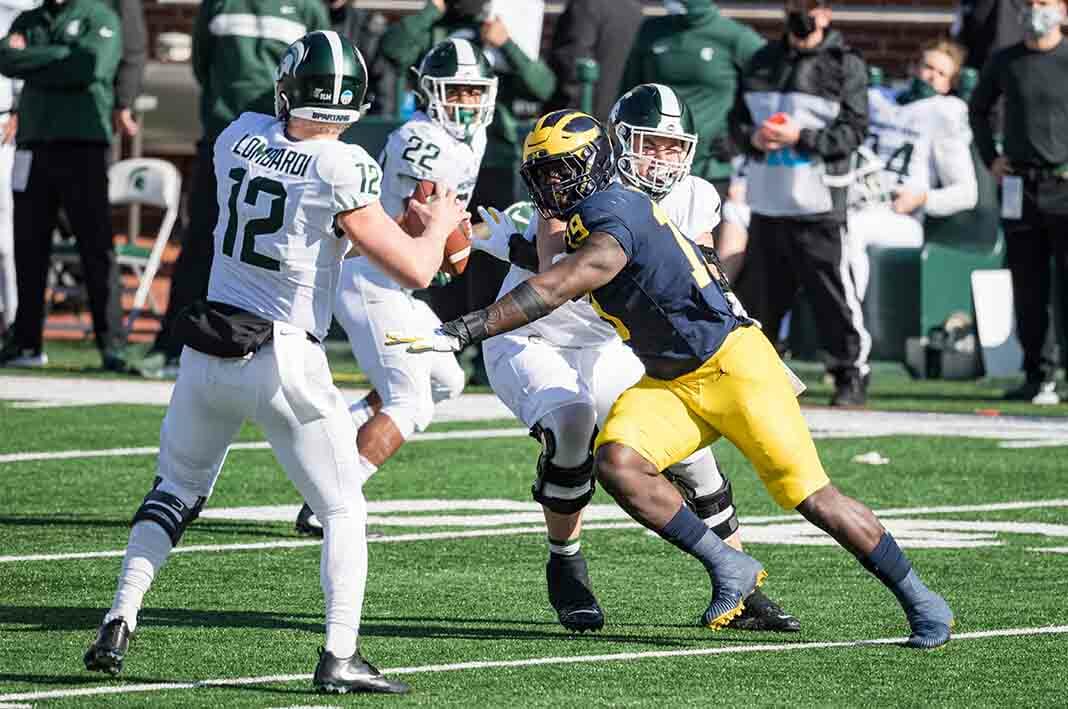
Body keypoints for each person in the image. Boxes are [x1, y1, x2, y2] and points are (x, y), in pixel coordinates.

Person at [390, 109, 954, 649]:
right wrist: (499, 245)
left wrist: (463, 328)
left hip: (732, 369)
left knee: (814, 498)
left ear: (594, 163)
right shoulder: (597, 208)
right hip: (668, 380)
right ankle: (727, 564)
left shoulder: (615, 213)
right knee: (618, 463)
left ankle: (922, 600)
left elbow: (561, 283)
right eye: (543, 173)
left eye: (562, 170)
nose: (552, 183)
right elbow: (553, 262)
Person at [82, 30, 468, 694]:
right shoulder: (344, 164)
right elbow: (416, 269)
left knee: (174, 491)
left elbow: (309, 216)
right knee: (342, 509)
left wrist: (393, 226)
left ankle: (120, 616)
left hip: (210, 345)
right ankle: (340, 653)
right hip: (284, 354)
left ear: (289, 88)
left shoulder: (238, 135)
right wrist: (436, 225)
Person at [473, 87, 799, 633]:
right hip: (536, 338)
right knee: (572, 429)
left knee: (693, 456)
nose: (661, 159)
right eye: (649, 144)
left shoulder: (694, 195)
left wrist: (746, 340)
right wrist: (511, 245)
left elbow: (706, 277)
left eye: (673, 147)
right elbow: (558, 281)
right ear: (617, 142)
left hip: (610, 344)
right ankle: (566, 564)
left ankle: (743, 584)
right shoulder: (579, 180)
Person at [293, 37, 497, 535]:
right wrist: (459, 242)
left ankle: (331, 431)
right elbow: (416, 225)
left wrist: (479, 234)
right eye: (455, 91)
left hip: (395, 283)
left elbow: (444, 231)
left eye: (474, 92)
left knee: (445, 381)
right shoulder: (420, 139)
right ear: (428, 91)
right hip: (371, 276)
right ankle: (327, 504)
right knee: (410, 401)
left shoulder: (470, 139)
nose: (466, 103)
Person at [137, 0, 330, 377]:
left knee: (284, 246)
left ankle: (276, 342)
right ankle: (175, 343)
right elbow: (202, 65)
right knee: (201, 242)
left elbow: (321, 69)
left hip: (286, 146)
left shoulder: (306, 7)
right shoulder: (219, 2)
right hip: (224, 136)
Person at [729, 0, 872, 407]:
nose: (802, 14)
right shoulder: (761, 61)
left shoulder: (844, 64)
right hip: (768, 200)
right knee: (761, 301)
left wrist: (801, 137)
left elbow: (854, 131)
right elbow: (735, 123)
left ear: (826, 13)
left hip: (820, 202)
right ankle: (758, 376)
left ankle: (850, 373)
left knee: (832, 297)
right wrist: (753, 138)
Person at [0, 0, 126, 370]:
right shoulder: (29, 19)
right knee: (28, 246)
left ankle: (111, 345)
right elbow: (5, 60)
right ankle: (26, 343)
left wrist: (33, 61)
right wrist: (60, 56)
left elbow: (89, 67)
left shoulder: (99, 16)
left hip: (82, 145)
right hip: (34, 144)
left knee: (95, 247)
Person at [969, 0, 1068, 406]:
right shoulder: (1005, 60)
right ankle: (1037, 374)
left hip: (1063, 184)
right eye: (1028, 3)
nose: (1034, 9)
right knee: (1028, 285)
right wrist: (991, 158)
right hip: (1019, 188)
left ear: (1062, 10)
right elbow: (978, 110)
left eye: (1043, 2)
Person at [847, 39, 979, 299]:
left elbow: (967, 193)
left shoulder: (943, 114)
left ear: (949, 84)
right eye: (927, 67)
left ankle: (848, 317)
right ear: (913, 67)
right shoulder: (878, 100)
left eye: (941, 73)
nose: (931, 76)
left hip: (901, 218)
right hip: (857, 201)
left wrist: (921, 198)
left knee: (851, 229)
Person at [619, 0, 765, 202]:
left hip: (712, 169)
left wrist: (739, 138)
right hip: (652, 168)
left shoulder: (737, 38)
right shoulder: (650, 31)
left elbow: (769, 92)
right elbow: (628, 96)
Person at [546, 0, 643, 121]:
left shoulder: (586, 5)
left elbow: (573, 63)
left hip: (580, 119)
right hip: (620, 117)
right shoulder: (635, 9)